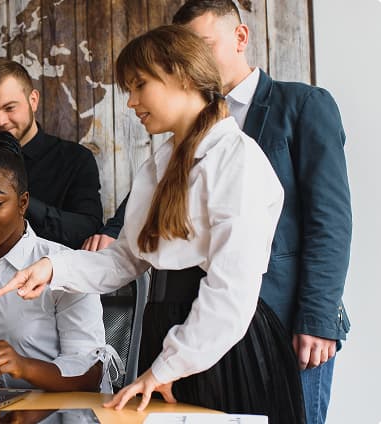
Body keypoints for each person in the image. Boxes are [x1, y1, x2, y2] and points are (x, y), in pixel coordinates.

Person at [0, 25, 306, 422]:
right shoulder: (158, 166)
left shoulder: (237, 160)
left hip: (224, 348)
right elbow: (124, 260)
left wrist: (166, 368)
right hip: (163, 336)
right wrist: (54, 268)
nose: (130, 102)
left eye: (139, 85)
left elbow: (231, 291)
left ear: (184, 76)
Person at [171, 2, 352, 422]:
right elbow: (156, 195)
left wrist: (318, 317)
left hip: (290, 321)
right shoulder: (191, 121)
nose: (192, 63)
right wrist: (110, 231)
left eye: (203, 46)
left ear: (240, 38)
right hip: (213, 324)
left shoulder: (304, 105)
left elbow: (331, 221)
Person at [0, 132, 119, 393]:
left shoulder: (66, 268)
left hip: (59, 413)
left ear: (23, 203)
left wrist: (25, 367)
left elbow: (90, 373)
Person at [0, 59, 109, 261]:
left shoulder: (76, 159)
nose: (1, 121)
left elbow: (86, 232)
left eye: (9, 108)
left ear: (33, 100)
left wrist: (13, 200)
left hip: (56, 286)